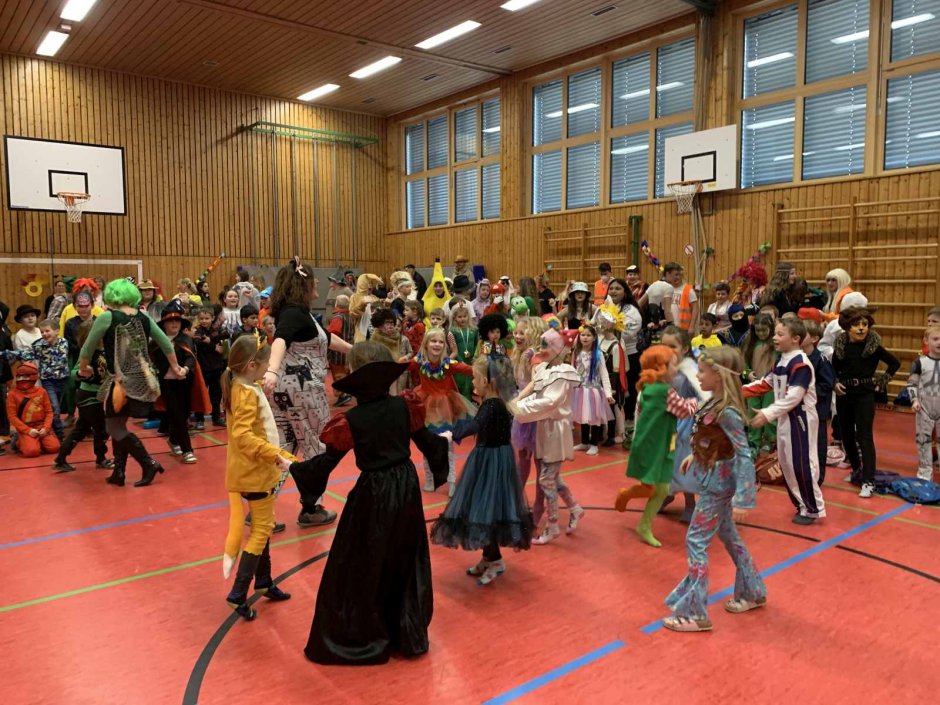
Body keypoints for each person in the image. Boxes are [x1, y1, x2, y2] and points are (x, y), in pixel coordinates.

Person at [287, 342, 449, 664]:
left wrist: (294, 468)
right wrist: (443, 449)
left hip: (373, 493)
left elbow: (324, 465)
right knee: (402, 555)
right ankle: (404, 632)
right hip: (406, 488)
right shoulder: (404, 407)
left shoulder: (353, 420)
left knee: (364, 560)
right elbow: (429, 443)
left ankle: (366, 633)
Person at [663, 347, 766, 632]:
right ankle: (752, 591)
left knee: (695, 541)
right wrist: (695, 456)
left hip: (718, 487)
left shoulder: (728, 412)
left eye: (703, 371)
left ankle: (695, 613)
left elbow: (743, 454)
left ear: (719, 376)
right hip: (713, 479)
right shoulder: (713, 404)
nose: (697, 376)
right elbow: (713, 440)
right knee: (730, 537)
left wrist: (744, 499)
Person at [262, 258, 352, 527]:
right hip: (303, 392)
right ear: (302, 285)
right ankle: (311, 508)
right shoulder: (294, 314)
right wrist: (272, 370)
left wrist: (356, 350)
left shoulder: (297, 314)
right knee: (317, 448)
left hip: (283, 393)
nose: (317, 285)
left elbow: (325, 337)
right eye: (313, 281)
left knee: (284, 448)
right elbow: (280, 340)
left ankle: (261, 508)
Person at [431, 353, 533, 585]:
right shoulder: (497, 403)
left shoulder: (492, 405)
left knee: (486, 510)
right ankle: (488, 557)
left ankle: (496, 561)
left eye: (475, 378)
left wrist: (452, 434)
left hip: (490, 462)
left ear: (487, 382)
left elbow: (476, 425)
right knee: (486, 510)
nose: (473, 381)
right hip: (494, 458)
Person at [79, 279, 186, 488]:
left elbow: (87, 347)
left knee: (113, 427)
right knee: (119, 424)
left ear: (112, 295)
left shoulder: (108, 317)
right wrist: (175, 367)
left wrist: (84, 368)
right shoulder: (143, 317)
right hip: (142, 380)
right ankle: (119, 472)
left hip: (120, 382)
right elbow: (165, 342)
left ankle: (149, 463)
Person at [221, 336, 296, 621]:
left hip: (254, 471)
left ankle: (263, 581)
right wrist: (276, 454)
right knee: (262, 529)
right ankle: (237, 594)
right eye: (265, 364)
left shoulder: (243, 386)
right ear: (252, 365)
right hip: (255, 474)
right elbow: (243, 436)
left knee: (263, 526)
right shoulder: (246, 393)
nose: (268, 369)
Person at [507, 328, 585, 545]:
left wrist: (520, 408)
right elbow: (535, 387)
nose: (540, 350)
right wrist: (519, 401)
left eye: (545, 346)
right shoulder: (546, 368)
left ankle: (552, 525)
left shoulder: (563, 373)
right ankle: (574, 508)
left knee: (546, 478)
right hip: (544, 426)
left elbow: (550, 401)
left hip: (554, 428)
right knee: (552, 475)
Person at [744, 318, 826, 522]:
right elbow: (764, 384)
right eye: (775, 333)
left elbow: (794, 397)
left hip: (800, 419)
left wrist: (767, 413)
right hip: (784, 417)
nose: (774, 337)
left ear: (796, 339)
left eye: (780, 334)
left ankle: (813, 507)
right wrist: (735, 391)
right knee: (786, 463)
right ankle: (801, 504)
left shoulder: (801, 364)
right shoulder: (781, 361)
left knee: (802, 463)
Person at [831, 307, 900, 497]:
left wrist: (882, 380)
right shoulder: (841, 347)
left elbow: (894, 363)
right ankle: (857, 471)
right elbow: (833, 369)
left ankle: (869, 480)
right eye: (856, 325)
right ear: (847, 327)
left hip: (864, 396)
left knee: (865, 436)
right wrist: (835, 383)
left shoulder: (873, 346)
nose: (861, 328)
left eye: (865, 324)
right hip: (844, 395)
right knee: (846, 435)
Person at [614, 345, 678, 547]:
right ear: (661, 368)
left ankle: (633, 506)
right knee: (659, 489)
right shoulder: (667, 393)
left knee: (655, 488)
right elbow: (685, 409)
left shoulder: (647, 389)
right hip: (658, 446)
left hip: (651, 444)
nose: (677, 369)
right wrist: (699, 402)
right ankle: (643, 524)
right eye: (674, 365)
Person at [408, 327, 476, 496]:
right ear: (426, 344)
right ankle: (429, 479)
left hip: (446, 408)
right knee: (427, 445)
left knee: (447, 445)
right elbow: (404, 367)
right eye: (433, 341)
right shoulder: (419, 361)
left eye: (440, 342)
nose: (437, 344)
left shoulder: (448, 364)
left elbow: (467, 369)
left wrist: (486, 368)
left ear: (445, 346)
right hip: (425, 406)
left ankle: (451, 481)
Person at [661, 326, 710, 524]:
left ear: (685, 348)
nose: (667, 350)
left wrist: (689, 408)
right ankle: (667, 494)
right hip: (668, 420)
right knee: (666, 463)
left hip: (687, 423)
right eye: (664, 345)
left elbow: (705, 397)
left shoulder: (691, 371)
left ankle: (690, 503)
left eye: (672, 346)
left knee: (683, 464)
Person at [53, 319, 112, 472]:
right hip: (89, 396)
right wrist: (81, 373)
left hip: (95, 395)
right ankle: (101, 459)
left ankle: (60, 458)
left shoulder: (104, 350)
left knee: (81, 430)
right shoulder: (88, 352)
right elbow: (74, 373)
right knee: (101, 429)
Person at [153, 301, 202, 464]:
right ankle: (187, 450)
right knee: (178, 416)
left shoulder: (185, 339)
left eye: (177, 320)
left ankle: (174, 441)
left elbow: (191, 358)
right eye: (170, 321)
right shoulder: (157, 341)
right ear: (164, 324)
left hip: (184, 383)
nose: (174, 323)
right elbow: (150, 359)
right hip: (166, 384)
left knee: (184, 413)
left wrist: (185, 370)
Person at [510, 316, 548, 485]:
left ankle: (541, 498)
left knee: (540, 461)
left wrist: (518, 398)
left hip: (537, 409)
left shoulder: (535, 357)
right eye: (516, 332)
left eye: (522, 333)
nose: (517, 336)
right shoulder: (519, 355)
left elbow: (535, 383)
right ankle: (517, 494)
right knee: (523, 457)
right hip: (524, 409)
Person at [570, 323, 614, 456]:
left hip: (594, 391)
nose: (585, 337)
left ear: (594, 338)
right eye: (583, 335)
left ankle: (594, 444)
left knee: (594, 418)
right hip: (580, 390)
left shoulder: (598, 355)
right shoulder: (576, 353)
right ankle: (584, 442)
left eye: (588, 335)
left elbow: (604, 374)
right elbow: (572, 371)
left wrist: (608, 393)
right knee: (583, 416)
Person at [801, 318, 834, 484]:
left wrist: (808, 393)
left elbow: (827, 384)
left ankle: (818, 478)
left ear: (814, 339)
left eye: (803, 334)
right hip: (800, 410)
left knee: (817, 445)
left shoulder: (820, 359)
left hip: (817, 411)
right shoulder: (796, 358)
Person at [6, 363, 60, 458]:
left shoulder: (42, 391)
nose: (22, 379)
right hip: (26, 427)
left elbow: (49, 412)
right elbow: (12, 417)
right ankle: (19, 441)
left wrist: (46, 428)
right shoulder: (12, 394)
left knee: (54, 448)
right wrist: (28, 430)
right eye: (19, 376)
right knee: (32, 452)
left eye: (25, 376)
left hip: (41, 426)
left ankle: (36, 442)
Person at [742, 313, 777, 454]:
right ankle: (753, 441)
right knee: (752, 412)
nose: (761, 333)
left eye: (764, 330)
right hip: (755, 385)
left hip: (770, 386)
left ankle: (770, 440)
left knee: (769, 412)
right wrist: (748, 373)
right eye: (758, 330)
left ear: (771, 328)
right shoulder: (750, 344)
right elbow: (743, 364)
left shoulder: (775, 344)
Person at [909, 325, 940, 481]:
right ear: (926, 341)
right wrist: (914, 399)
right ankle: (924, 473)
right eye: (936, 339)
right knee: (923, 440)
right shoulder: (919, 363)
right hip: (924, 408)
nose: (939, 342)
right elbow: (912, 383)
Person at [596, 306, 627, 447]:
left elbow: (616, 370)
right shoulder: (601, 341)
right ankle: (599, 432)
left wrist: (613, 388)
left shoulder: (615, 345)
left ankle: (612, 435)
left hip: (612, 382)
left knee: (613, 409)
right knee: (600, 407)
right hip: (600, 380)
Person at [192, 305, 227, 428]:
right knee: (201, 394)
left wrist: (210, 340)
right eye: (201, 318)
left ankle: (216, 417)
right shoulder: (198, 331)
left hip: (216, 367)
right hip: (203, 368)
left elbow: (226, 335)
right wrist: (213, 346)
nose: (204, 321)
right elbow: (198, 341)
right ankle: (199, 419)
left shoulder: (216, 329)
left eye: (207, 318)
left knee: (216, 395)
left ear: (212, 318)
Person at [369, 307, 412, 393]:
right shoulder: (375, 339)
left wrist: (404, 358)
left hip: (397, 372)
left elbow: (408, 352)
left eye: (391, 323)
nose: (390, 326)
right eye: (387, 323)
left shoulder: (397, 336)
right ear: (379, 325)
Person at [326, 294, 354, 405]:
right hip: (347, 349)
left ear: (336, 304)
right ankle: (345, 392)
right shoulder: (349, 316)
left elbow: (333, 334)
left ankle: (343, 394)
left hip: (337, 352)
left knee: (338, 373)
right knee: (344, 372)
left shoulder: (338, 317)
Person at [450, 301, 478, 401]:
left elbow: (477, 345)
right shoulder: (453, 331)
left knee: (470, 384)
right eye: (459, 317)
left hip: (471, 361)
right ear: (454, 318)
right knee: (460, 383)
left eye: (465, 316)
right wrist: (460, 361)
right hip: (459, 361)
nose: (462, 319)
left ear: (468, 316)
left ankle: (470, 403)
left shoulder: (474, 330)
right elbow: (453, 348)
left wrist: (475, 357)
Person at [663, 262, 698, 334]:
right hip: (669, 328)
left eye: (678, 275)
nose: (677, 277)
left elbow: (695, 308)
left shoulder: (688, 289)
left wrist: (692, 326)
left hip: (684, 329)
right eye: (674, 275)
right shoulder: (665, 289)